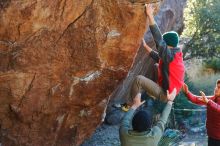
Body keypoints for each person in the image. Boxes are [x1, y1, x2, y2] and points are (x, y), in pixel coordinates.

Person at [130, 4, 185, 103]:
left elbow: (158, 39)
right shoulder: (175, 54)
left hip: (165, 94)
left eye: (165, 42)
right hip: (170, 92)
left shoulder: (170, 55)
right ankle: (148, 95)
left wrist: (150, 16)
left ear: (167, 43)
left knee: (139, 80)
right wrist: (146, 46)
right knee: (157, 65)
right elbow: (158, 57)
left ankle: (132, 104)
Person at [182, 79, 220, 146]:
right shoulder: (212, 99)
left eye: (219, 87)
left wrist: (208, 102)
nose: (216, 89)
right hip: (211, 137)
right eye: (216, 86)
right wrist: (187, 93)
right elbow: (196, 99)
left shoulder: (210, 101)